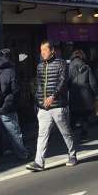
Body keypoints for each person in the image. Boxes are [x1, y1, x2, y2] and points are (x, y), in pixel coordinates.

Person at [27, 40, 77, 171]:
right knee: (42, 134)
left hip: (58, 105)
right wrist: (38, 102)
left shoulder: (61, 64)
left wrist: (53, 96)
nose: (43, 53)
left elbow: (63, 82)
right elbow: (39, 85)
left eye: (45, 50)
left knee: (65, 132)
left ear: (52, 50)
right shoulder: (40, 66)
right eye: (41, 50)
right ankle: (39, 162)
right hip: (44, 107)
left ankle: (72, 155)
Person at [0, 49, 29, 165]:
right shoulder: (10, 71)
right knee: (14, 131)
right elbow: (15, 89)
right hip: (7, 106)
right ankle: (22, 154)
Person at [67, 49, 98, 141]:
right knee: (85, 116)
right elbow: (92, 83)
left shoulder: (69, 67)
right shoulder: (87, 67)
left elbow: (67, 82)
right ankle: (84, 134)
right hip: (86, 96)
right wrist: (96, 94)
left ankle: (69, 134)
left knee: (74, 115)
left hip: (73, 95)